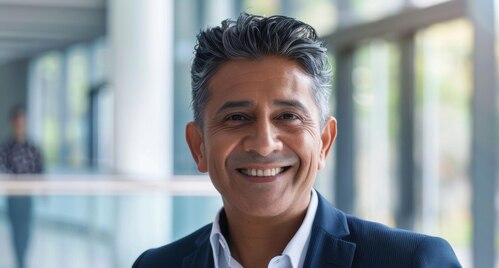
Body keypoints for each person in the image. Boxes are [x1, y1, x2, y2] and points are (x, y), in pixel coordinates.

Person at [133, 13, 461, 268]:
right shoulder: (156, 265)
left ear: (324, 142)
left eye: (288, 116)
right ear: (198, 146)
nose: (264, 144)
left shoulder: (411, 262)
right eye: (236, 118)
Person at [0, 105, 43, 268]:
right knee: (16, 230)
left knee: (25, 230)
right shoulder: (6, 147)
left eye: (22, 122)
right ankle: (19, 262)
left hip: (26, 195)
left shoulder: (32, 147)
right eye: (17, 122)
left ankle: (22, 262)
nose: (20, 126)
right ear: (13, 123)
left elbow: (39, 169)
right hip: (13, 196)